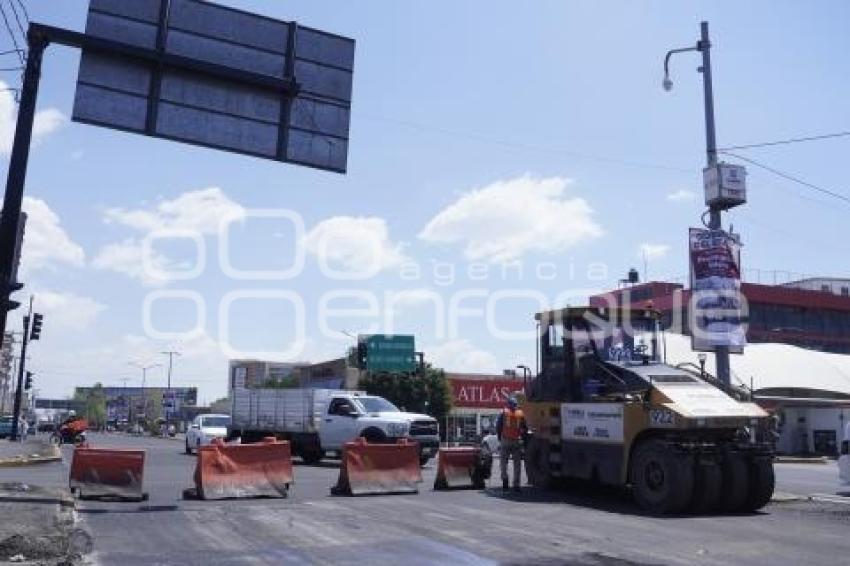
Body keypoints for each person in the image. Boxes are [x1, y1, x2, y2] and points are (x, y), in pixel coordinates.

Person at [496, 395, 527, 492]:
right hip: (516, 441)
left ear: (508, 404)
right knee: (517, 464)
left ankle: (505, 481)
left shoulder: (503, 413)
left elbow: (498, 426)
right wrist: (522, 438)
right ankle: (516, 485)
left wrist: (499, 438)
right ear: (516, 405)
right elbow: (524, 428)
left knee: (503, 463)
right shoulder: (520, 414)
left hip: (505, 440)